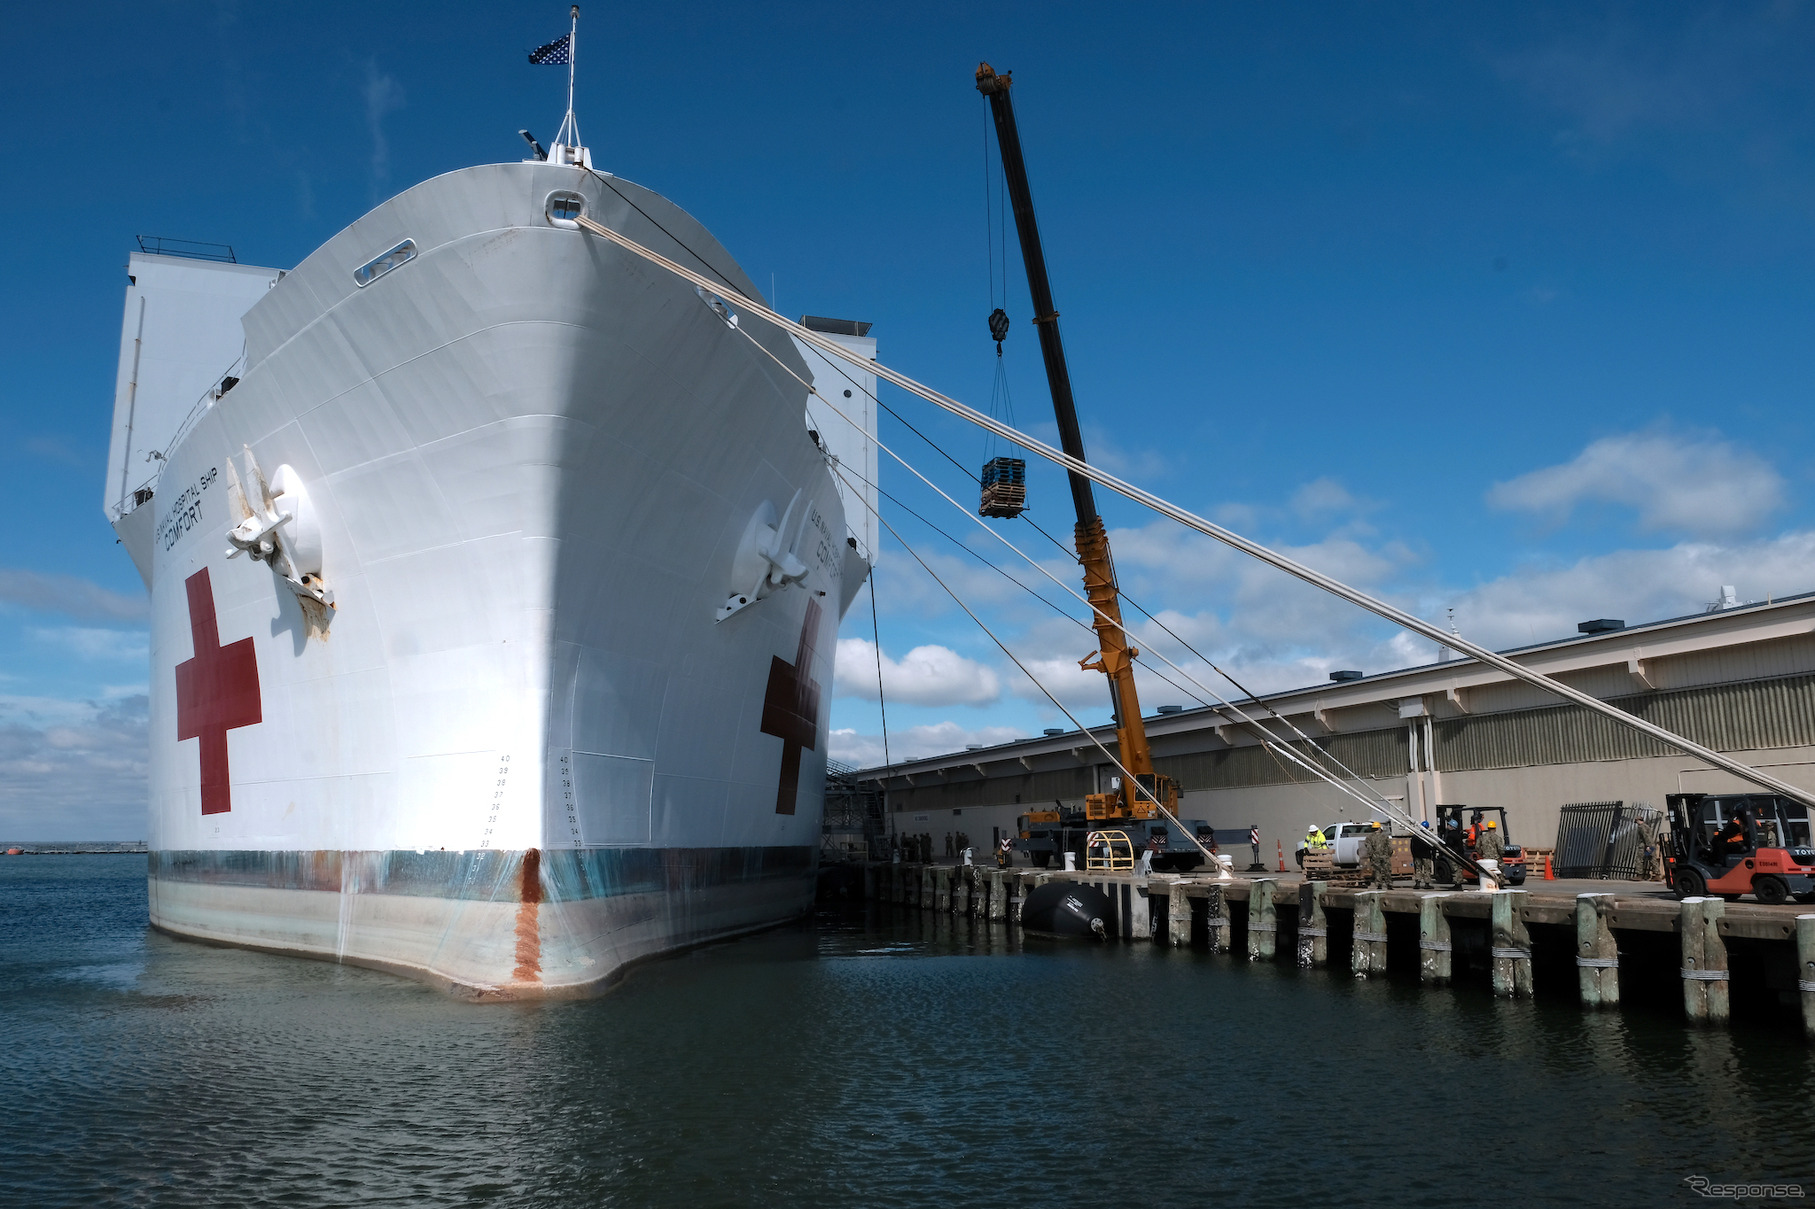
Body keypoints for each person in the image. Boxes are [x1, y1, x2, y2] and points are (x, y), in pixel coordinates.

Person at [1362, 821, 1393, 889]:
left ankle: (1379, 884)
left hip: (1375, 856)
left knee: (1377, 870)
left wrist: (1371, 855)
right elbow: (1389, 847)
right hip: (1385, 856)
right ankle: (1389, 884)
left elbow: (1369, 848)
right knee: (1387, 870)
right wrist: (1389, 854)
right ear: (1379, 828)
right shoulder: (1385, 837)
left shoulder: (1369, 837)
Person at [1477, 817, 1505, 887]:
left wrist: (1481, 854)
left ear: (1488, 828)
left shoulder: (1482, 837)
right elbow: (1501, 849)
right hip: (1496, 859)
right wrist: (1501, 856)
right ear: (1495, 828)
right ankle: (1500, 883)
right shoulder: (1497, 838)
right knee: (1501, 869)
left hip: (1485, 858)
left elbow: (1477, 847)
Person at [1411, 820, 1438, 889]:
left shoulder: (1415, 835)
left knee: (1418, 869)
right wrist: (1433, 855)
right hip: (1426, 855)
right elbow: (1433, 846)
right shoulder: (1428, 836)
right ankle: (1427, 884)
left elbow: (1412, 846)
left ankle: (1417, 883)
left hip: (1417, 855)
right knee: (1427, 869)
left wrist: (1414, 855)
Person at [1636, 813, 1662, 881]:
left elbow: (1646, 836)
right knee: (1652, 859)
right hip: (1651, 844)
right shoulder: (1647, 826)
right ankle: (1657, 875)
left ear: (1638, 820)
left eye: (1636, 821)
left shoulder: (1641, 827)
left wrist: (1647, 846)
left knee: (1639, 859)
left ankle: (1639, 875)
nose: (1636, 823)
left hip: (1644, 846)